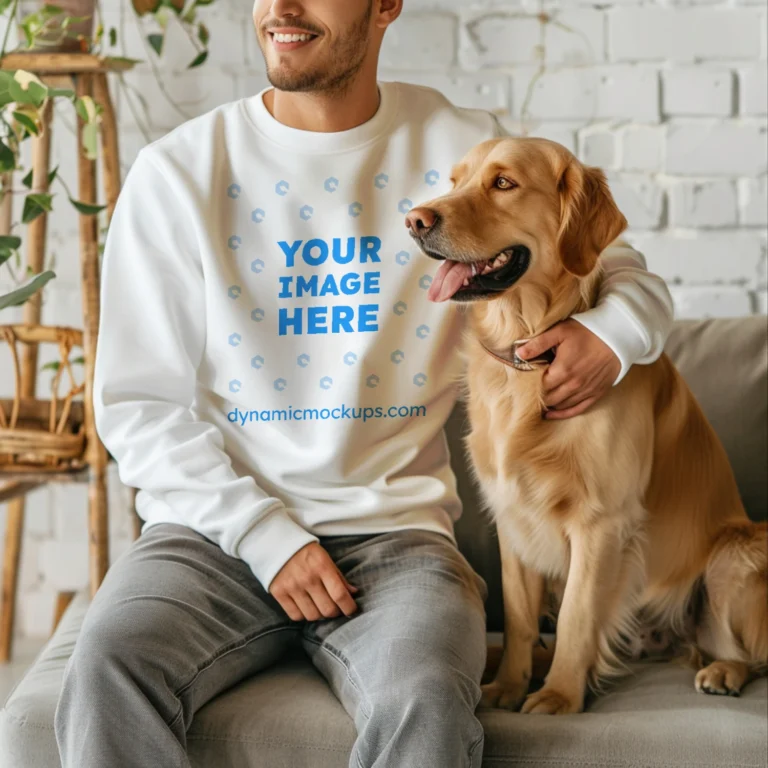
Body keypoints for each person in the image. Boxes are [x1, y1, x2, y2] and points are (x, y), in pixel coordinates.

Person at [54, 1, 674, 766]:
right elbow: (136, 406)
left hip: (400, 541)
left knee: (425, 697)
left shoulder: (458, 147)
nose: (281, 8)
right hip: (209, 536)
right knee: (106, 668)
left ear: (385, 6)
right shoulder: (179, 171)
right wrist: (264, 537)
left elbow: (621, 270)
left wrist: (611, 337)